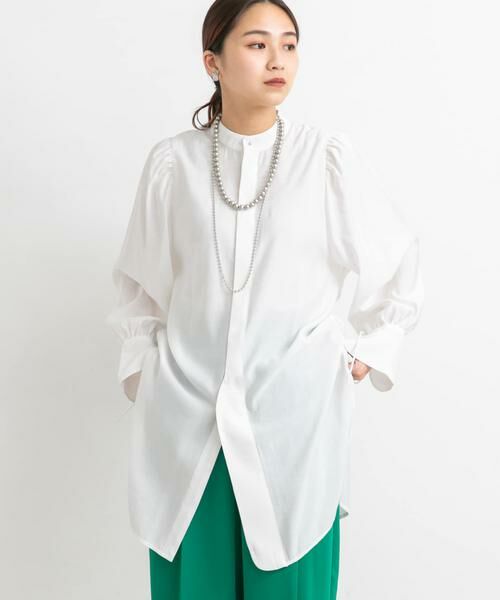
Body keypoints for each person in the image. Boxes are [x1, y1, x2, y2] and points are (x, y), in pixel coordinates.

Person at [105, 0, 424, 598]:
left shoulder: (325, 160)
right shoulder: (173, 164)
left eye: (289, 44)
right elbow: (138, 290)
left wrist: (371, 350)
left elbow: (397, 266)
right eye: (257, 44)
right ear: (213, 62)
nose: (278, 59)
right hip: (189, 429)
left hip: (293, 433)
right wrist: (147, 373)